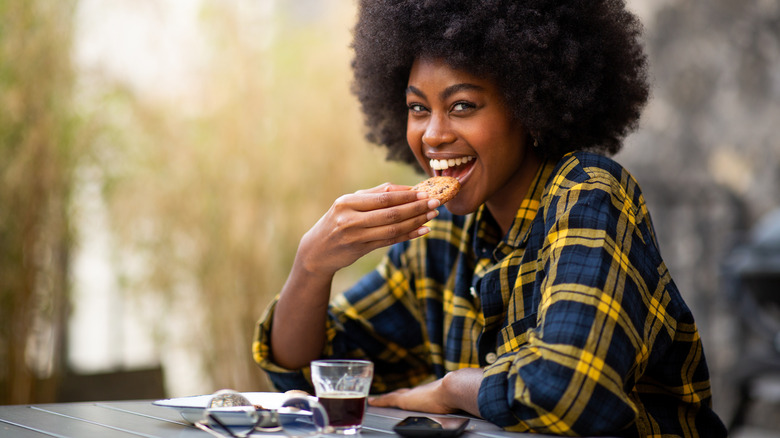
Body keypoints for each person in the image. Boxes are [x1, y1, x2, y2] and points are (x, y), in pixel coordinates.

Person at [252, 0, 728, 436]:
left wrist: (451, 389)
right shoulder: (440, 235)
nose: (434, 134)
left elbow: (567, 395)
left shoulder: (587, 194)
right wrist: (311, 265)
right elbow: (316, 374)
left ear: (528, 105)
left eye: (463, 105)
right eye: (419, 108)